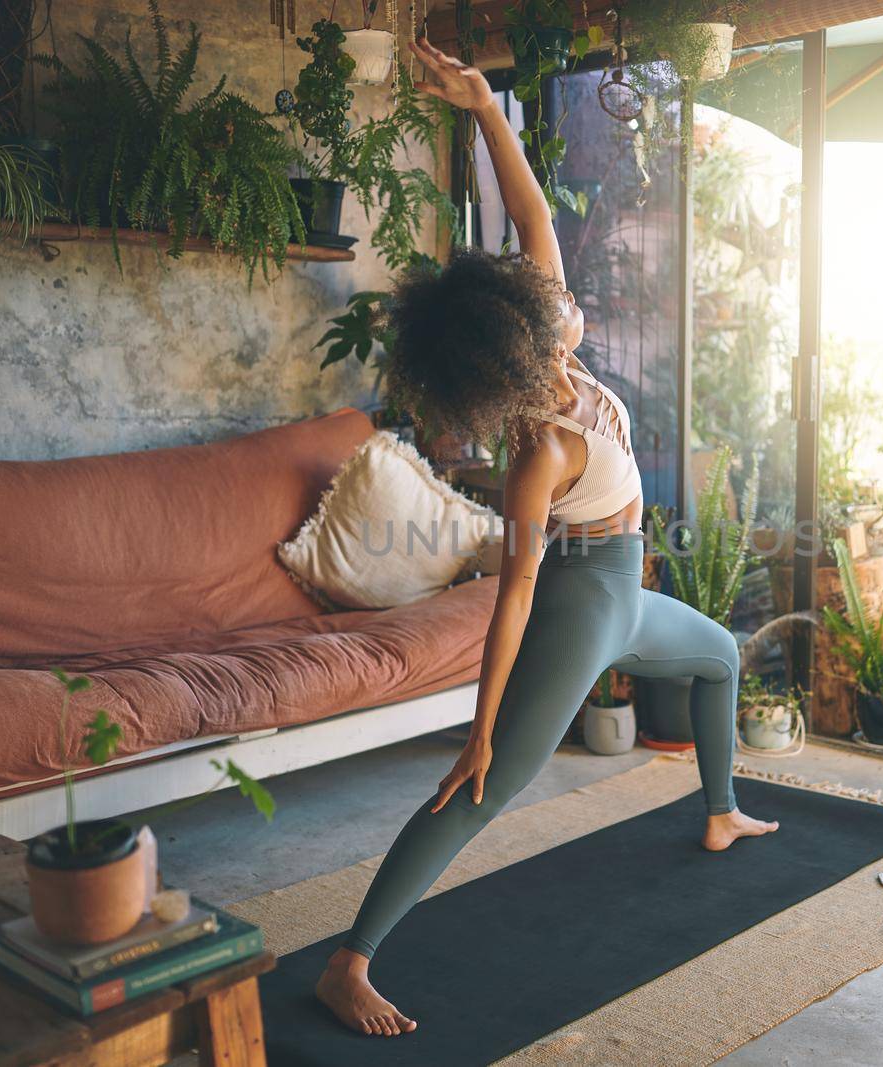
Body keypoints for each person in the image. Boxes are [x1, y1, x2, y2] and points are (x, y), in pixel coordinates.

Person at [315, 37, 780, 1038]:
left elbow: (529, 215)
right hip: (578, 607)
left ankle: (719, 807)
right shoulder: (538, 453)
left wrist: (487, 105)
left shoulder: (552, 339)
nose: (565, 323)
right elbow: (516, 592)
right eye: (546, 328)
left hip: (623, 596)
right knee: (485, 787)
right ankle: (349, 962)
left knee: (719, 655)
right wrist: (479, 723)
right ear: (505, 366)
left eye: (554, 318)